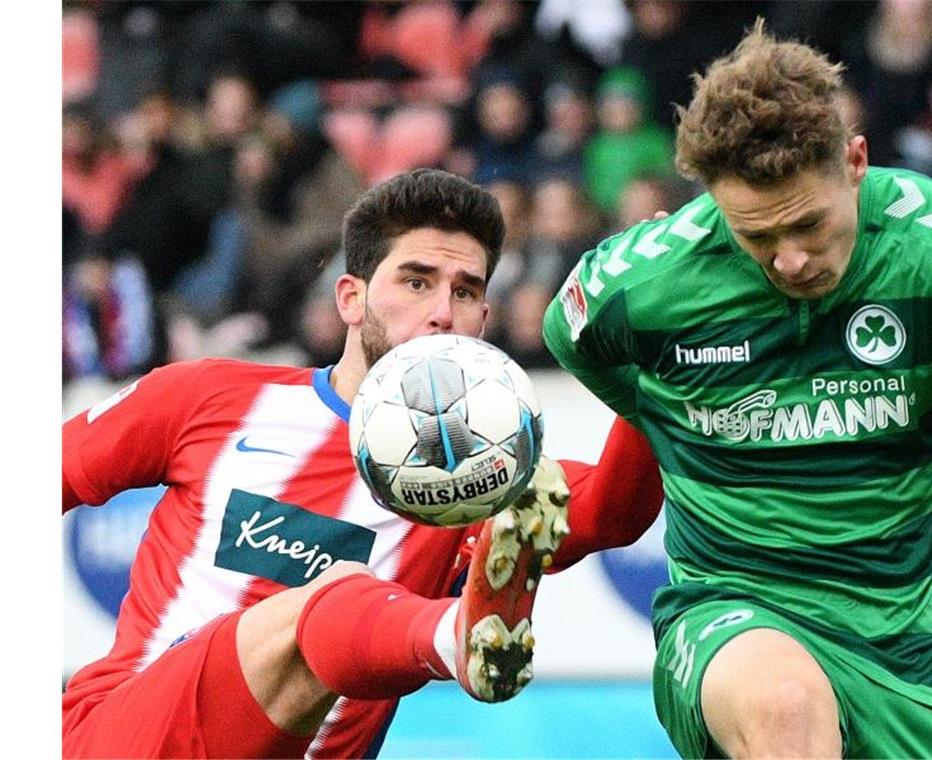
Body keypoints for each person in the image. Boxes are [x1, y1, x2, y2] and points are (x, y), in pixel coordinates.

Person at [543, 19, 932, 760]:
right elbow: (568, 334)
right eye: (755, 236)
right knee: (786, 709)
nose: (789, 261)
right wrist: (669, 414)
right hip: (728, 611)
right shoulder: (648, 279)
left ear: (855, 162)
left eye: (808, 225)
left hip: (906, 642)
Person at [63, 169, 664, 759]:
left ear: (483, 319)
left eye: (465, 291)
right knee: (333, 594)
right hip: (126, 734)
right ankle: (454, 637)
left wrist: (656, 350)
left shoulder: (479, 477)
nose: (441, 312)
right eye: (416, 281)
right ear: (351, 298)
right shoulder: (208, 398)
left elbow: (612, 514)